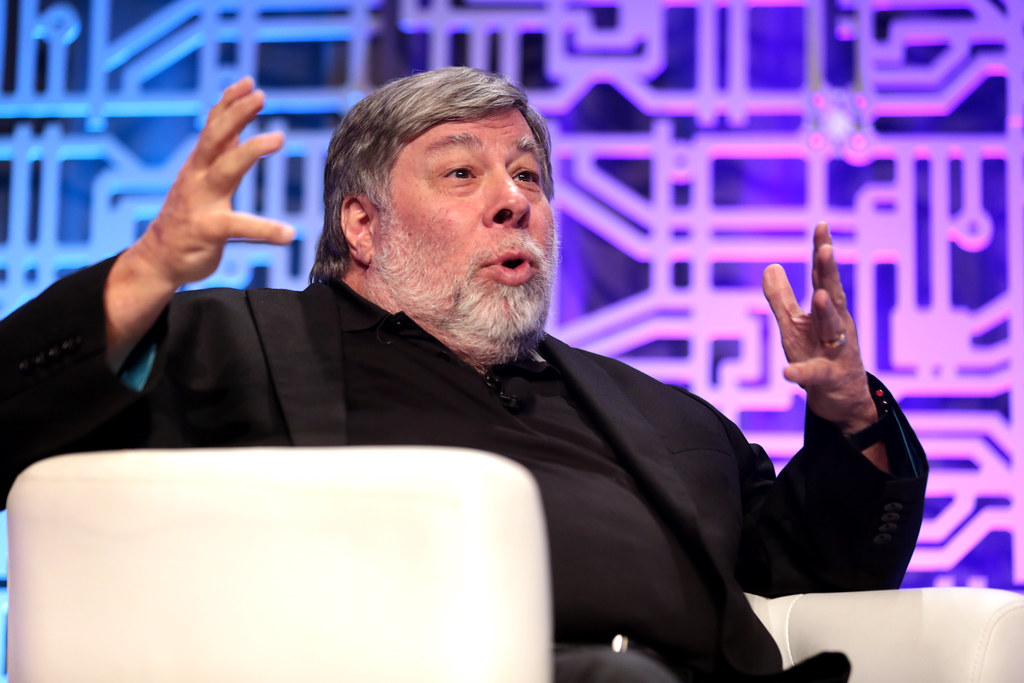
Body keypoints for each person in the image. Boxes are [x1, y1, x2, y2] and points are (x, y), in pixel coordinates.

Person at [1, 67, 926, 683]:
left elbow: (815, 576)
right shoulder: (233, 347)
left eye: (529, 175)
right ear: (362, 225)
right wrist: (147, 269)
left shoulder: (662, 414)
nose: (514, 199)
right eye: (460, 173)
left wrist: (850, 416)